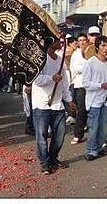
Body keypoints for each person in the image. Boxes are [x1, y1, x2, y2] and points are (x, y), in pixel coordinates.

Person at [32, 39, 75, 175]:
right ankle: (45, 162)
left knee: (60, 134)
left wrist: (69, 100)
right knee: (42, 136)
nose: (61, 43)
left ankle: (53, 157)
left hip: (57, 104)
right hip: (42, 104)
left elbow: (64, 82)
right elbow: (36, 79)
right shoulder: (39, 59)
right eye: (58, 40)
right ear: (50, 41)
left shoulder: (60, 60)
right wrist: (52, 78)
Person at [82, 35, 107, 160]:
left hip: (106, 100)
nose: (106, 48)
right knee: (93, 127)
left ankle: (100, 148)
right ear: (97, 47)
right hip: (94, 100)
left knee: (103, 127)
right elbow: (85, 83)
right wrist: (100, 85)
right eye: (103, 45)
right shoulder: (90, 62)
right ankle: (91, 151)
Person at [69, 33, 89, 145]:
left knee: (93, 111)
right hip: (80, 85)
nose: (82, 42)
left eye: (84, 40)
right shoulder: (76, 54)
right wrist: (85, 68)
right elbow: (75, 69)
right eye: (79, 40)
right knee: (81, 110)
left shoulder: (92, 52)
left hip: (92, 86)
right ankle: (78, 134)